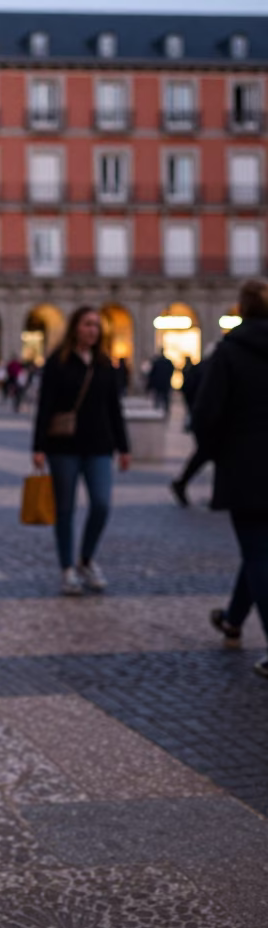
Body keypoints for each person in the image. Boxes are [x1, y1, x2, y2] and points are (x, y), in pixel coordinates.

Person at [192, 280, 268, 678]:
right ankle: (233, 620)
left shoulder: (229, 351)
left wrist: (218, 451)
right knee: (258, 551)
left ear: (241, 308)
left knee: (257, 552)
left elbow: (205, 414)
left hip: (245, 466)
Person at [33, 306, 131, 596]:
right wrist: (38, 446)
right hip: (63, 446)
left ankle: (86, 559)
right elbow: (45, 406)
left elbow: (114, 407)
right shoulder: (58, 362)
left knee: (101, 504)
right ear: (75, 327)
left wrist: (124, 446)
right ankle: (67, 568)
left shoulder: (104, 364)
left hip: (99, 445)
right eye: (88, 324)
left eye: (96, 326)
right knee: (65, 510)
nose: (93, 330)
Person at [170, 349, 213, 506]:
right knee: (206, 452)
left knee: (206, 453)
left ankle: (182, 483)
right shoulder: (212, 368)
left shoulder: (198, 368)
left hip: (200, 417)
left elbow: (186, 389)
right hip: (208, 419)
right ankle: (181, 483)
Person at [146, 349, 175, 413]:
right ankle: (164, 409)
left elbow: (152, 373)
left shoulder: (158, 362)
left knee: (159, 396)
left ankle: (159, 409)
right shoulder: (167, 362)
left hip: (159, 383)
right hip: (165, 382)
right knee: (163, 397)